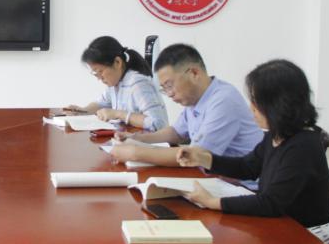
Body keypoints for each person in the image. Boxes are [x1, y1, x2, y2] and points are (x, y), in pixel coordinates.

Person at [176, 59, 329, 244]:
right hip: (284, 227)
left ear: (279, 105)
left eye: (256, 102)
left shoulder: (303, 145)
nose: (251, 108)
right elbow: (248, 167)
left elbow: (271, 203)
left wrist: (212, 201)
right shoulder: (276, 135)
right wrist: (204, 159)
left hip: (310, 240)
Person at [109, 43, 262, 167]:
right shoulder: (195, 99)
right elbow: (177, 132)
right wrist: (138, 139)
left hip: (243, 186)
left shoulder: (223, 100)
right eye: (164, 89)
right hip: (217, 178)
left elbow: (196, 156)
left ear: (194, 73)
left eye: (169, 85)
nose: (169, 94)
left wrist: (135, 153)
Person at [64, 36, 167, 131]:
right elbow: (101, 104)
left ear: (117, 62)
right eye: (95, 73)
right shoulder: (115, 83)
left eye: (100, 71)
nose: (99, 78)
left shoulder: (138, 83)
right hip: (130, 139)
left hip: (150, 142)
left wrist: (118, 114)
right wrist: (82, 111)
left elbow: (158, 123)